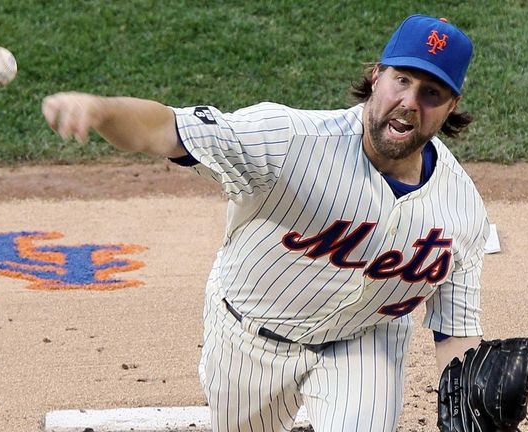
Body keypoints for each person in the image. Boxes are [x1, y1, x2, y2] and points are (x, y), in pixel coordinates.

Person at [42, 14, 489, 432]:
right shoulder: (288, 141)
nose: (409, 104)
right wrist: (101, 111)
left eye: (431, 93)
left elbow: (456, 331)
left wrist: (475, 408)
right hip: (250, 334)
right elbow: (166, 130)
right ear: (377, 76)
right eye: (402, 80)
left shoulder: (462, 209)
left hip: (363, 339)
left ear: (452, 106)